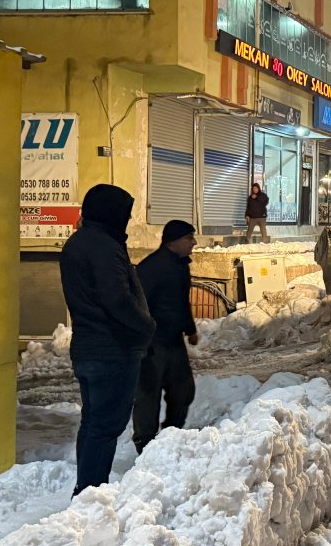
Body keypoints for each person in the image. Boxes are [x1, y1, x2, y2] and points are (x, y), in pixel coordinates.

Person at [60, 184, 156, 496]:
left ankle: (86, 489)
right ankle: (91, 494)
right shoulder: (103, 246)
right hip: (111, 350)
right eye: (125, 214)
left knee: (92, 424)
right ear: (111, 213)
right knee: (105, 427)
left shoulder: (79, 243)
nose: (127, 221)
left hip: (88, 348)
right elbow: (117, 300)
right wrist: (146, 326)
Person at [132, 220, 199, 454]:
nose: (194, 242)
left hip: (174, 341)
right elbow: (137, 306)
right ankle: (146, 446)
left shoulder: (181, 265)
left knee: (183, 390)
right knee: (148, 396)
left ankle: (171, 435)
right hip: (152, 344)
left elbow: (181, 301)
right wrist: (142, 339)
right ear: (173, 242)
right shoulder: (151, 269)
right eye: (189, 238)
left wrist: (189, 328)